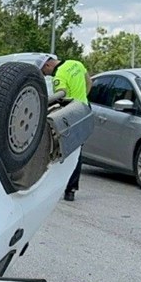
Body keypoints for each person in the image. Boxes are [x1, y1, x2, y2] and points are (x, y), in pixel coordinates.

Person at [41, 55, 91, 201]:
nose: (47, 75)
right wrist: (82, 99)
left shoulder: (59, 75)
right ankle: (72, 189)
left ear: (47, 65)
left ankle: (57, 187)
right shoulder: (76, 63)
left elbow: (60, 95)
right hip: (84, 109)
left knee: (62, 150)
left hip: (70, 115)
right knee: (77, 152)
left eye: (45, 72)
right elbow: (89, 82)